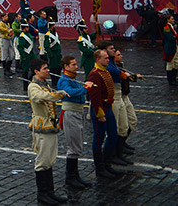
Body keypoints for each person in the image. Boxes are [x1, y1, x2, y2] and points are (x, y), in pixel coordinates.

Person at [27, 59, 66, 204]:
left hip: (50, 126)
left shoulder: (44, 84)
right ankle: (42, 194)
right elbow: (40, 97)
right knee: (42, 161)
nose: (47, 70)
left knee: (50, 160)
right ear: (36, 71)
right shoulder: (33, 86)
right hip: (42, 126)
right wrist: (58, 95)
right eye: (44, 68)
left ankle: (50, 192)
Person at [57, 54, 93, 189]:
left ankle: (75, 175)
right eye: (73, 64)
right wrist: (85, 88)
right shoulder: (63, 80)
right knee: (73, 146)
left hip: (77, 112)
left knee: (77, 145)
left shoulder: (72, 78)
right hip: (70, 113)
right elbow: (71, 93)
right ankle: (70, 177)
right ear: (66, 66)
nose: (76, 66)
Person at [87, 48, 123, 178]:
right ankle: (100, 168)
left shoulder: (105, 70)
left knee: (113, 134)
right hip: (101, 108)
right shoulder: (95, 74)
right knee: (98, 138)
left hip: (108, 106)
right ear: (98, 59)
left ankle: (107, 164)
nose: (108, 60)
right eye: (105, 58)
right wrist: (99, 113)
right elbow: (95, 97)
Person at [164, 13, 177, 86]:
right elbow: (170, 37)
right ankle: (171, 80)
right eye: (171, 19)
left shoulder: (173, 27)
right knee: (170, 63)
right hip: (170, 47)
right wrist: (175, 37)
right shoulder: (166, 28)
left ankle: (174, 78)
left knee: (175, 62)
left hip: (175, 46)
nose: (173, 20)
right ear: (168, 20)